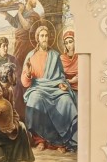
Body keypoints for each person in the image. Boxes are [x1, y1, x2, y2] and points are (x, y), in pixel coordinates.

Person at [21, 23, 78, 151]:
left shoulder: (55, 55)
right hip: (38, 88)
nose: (45, 38)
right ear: (37, 38)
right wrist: (28, 74)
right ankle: (40, 140)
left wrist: (62, 84)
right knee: (34, 100)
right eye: (42, 36)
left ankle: (61, 142)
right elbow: (24, 82)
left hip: (54, 88)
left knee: (66, 100)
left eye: (46, 36)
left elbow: (60, 76)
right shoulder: (30, 56)